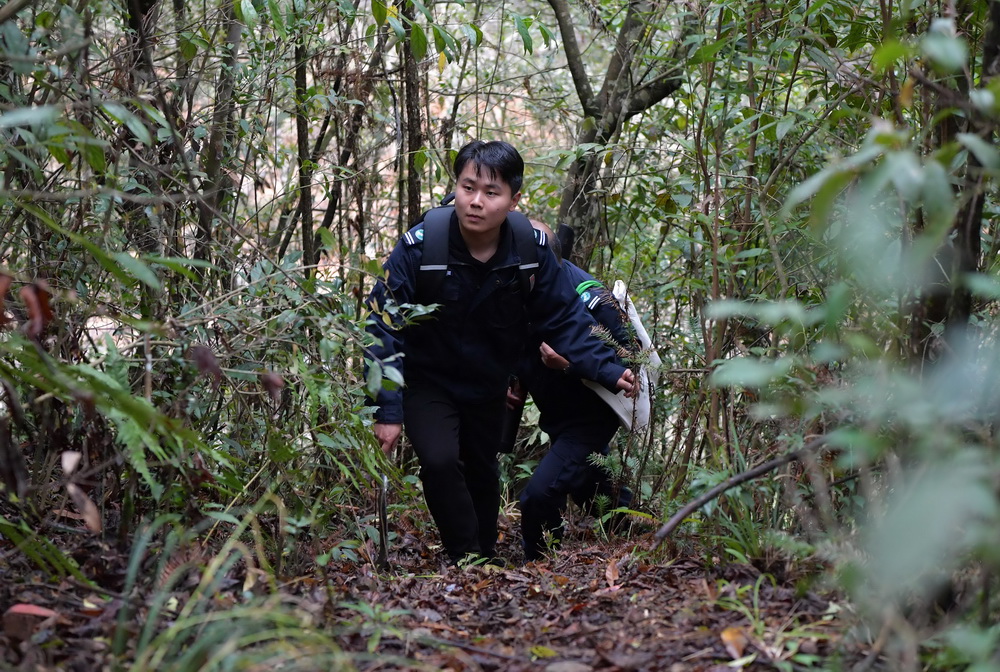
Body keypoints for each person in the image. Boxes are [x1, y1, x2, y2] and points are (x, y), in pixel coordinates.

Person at [362, 140, 636, 565]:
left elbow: (562, 316)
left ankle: (484, 555)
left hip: (488, 382)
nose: (475, 202)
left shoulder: (530, 250)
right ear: (455, 187)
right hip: (428, 378)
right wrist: (387, 410)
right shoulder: (420, 246)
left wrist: (603, 367)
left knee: (482, 469)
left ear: (513, 199)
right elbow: (383, 324)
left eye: (491, 192)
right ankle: (466, 557)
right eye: (467, 187)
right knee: (438, 460)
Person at [509, 220, 635, 562]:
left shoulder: (591, 298)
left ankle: (538, 563)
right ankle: (644, 534)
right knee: (593, 492)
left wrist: (568, 364)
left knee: (537, 496)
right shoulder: (520, 288)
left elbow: (628, 360)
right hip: (557, 416)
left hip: (590, 418)